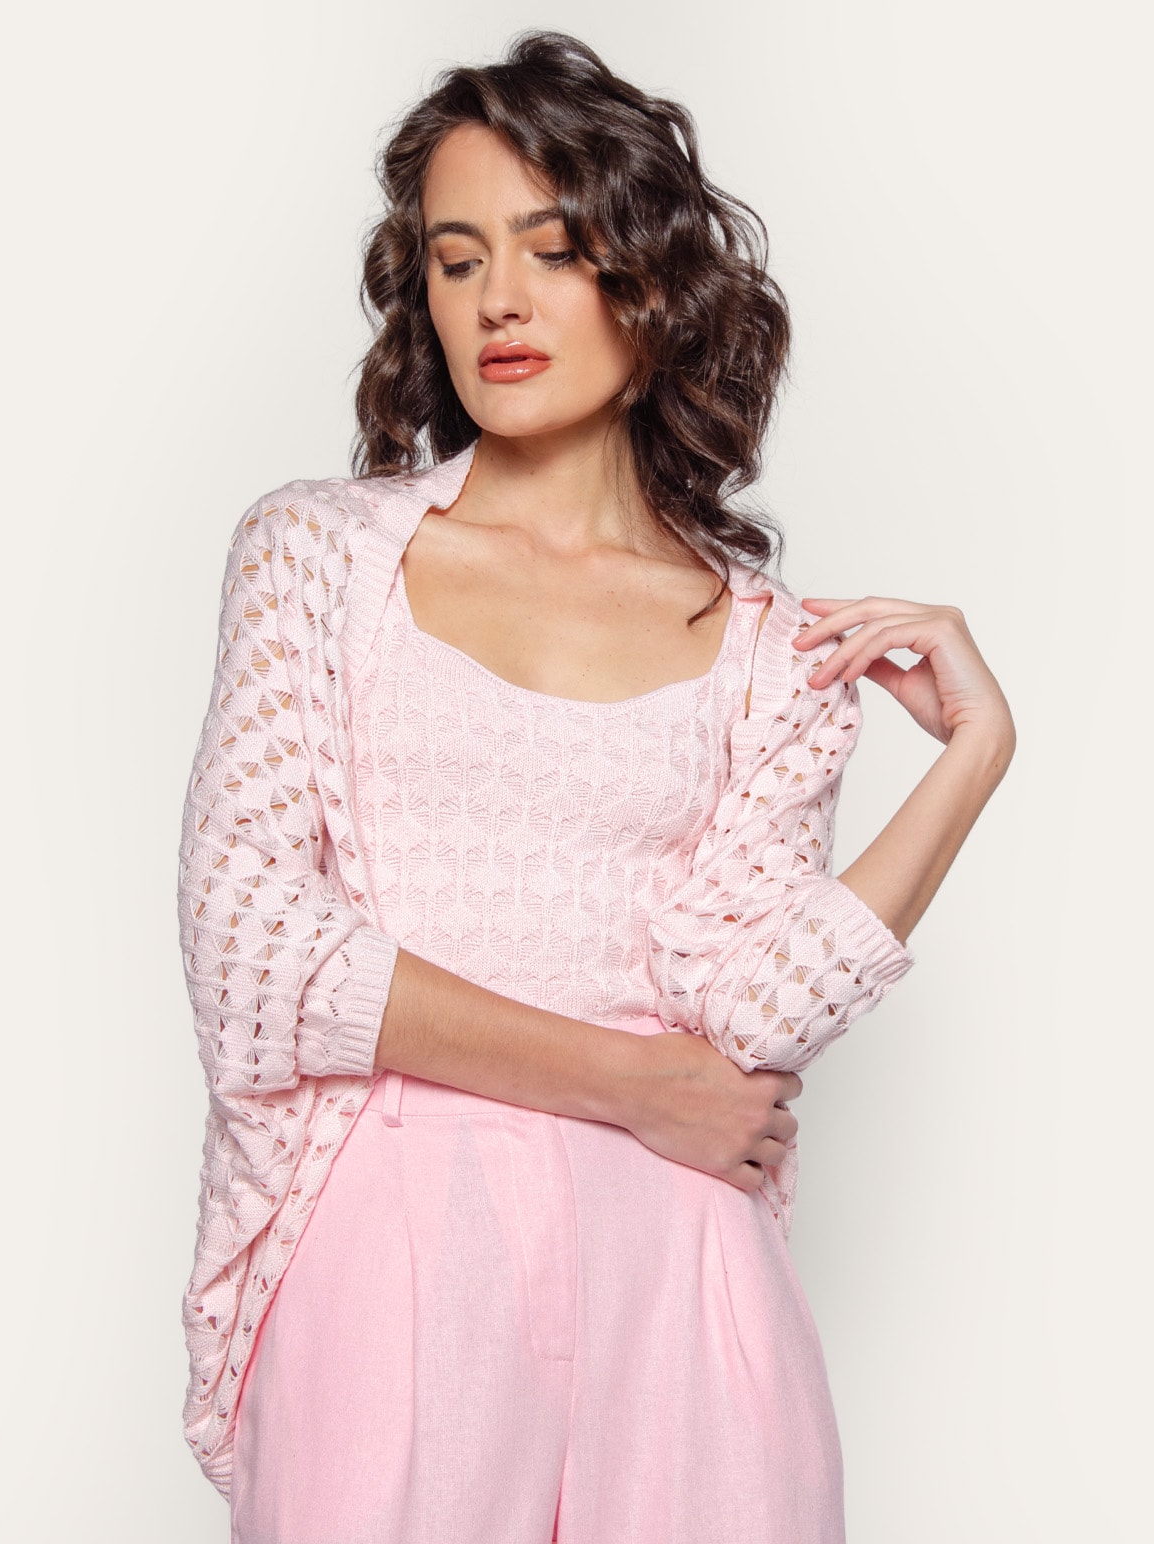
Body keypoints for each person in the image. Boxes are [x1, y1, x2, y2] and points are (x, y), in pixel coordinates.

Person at [176, 30, 1015, 1544]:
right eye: (456, 258)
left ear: (651, 279)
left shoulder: (766, 648)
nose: (497, 298)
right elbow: (254, 946)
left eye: (552, 249)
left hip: (679, 1268)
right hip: (392, 1238)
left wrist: (970, 761)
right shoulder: (315, 556)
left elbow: (747, 1018)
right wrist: (635, 1084)